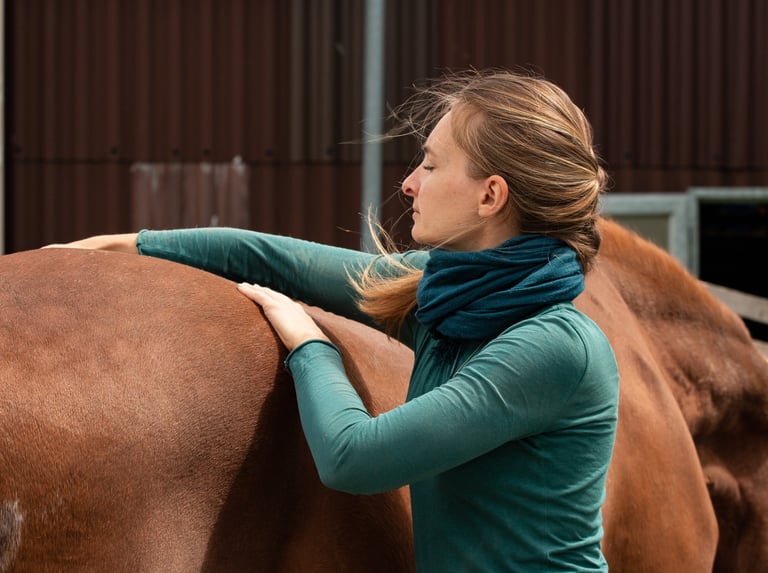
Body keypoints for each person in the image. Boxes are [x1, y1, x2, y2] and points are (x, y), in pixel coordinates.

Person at [52, 69, 619, 572]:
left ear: (490, 196)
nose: (409, 184)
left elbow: (356, 457)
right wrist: (126, 245)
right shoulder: (445, 294)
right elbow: (272, 259)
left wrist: (308, 344)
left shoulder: (556, 347)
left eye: (430, 163)